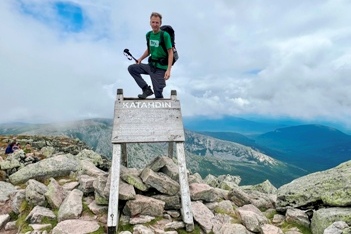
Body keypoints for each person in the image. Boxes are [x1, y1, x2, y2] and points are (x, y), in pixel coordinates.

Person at [128, 12, 173, 99]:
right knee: (132, 68)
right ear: (150, 22)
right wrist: (140, 58)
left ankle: (161, 111)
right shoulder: (148, 35)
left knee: (158, 95)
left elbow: (170, 53)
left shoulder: (165, 35)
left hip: (161, 68)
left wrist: (168, 70)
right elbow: (149, 49)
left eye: (157, 22)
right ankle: (146, 89)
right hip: (151, 66)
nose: (155, 24)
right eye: (153, 22)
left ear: (160, 23)